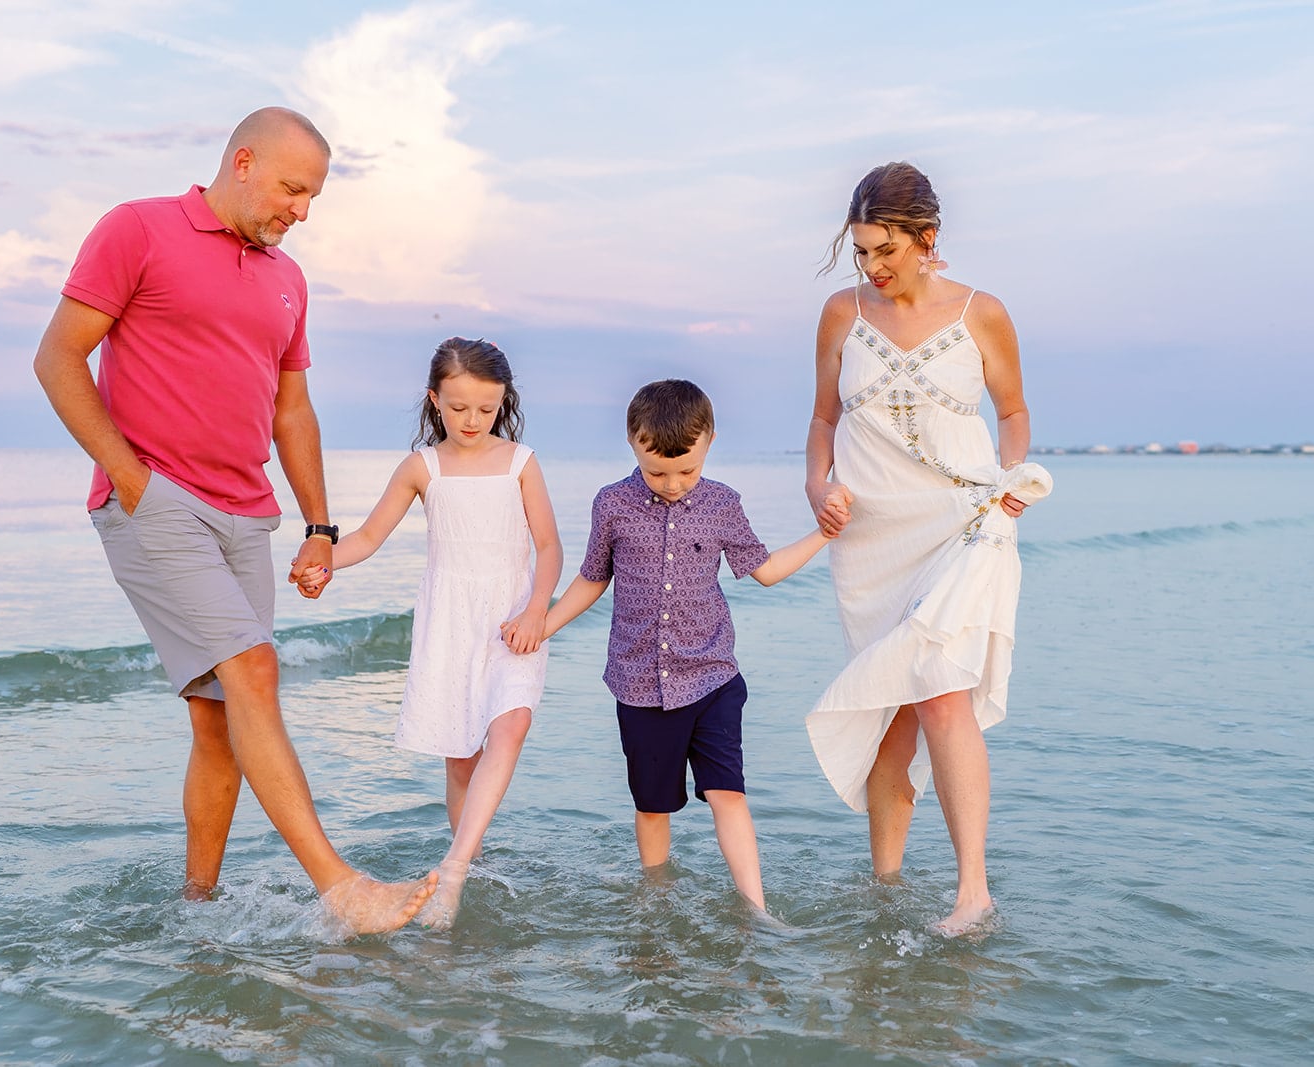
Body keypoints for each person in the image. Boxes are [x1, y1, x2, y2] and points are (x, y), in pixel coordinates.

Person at [32, 106, 435, 933]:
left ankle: (196, 907)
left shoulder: (290, 278)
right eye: (293, 188)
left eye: (314, 197)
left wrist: (319, 524)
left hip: (248, 514)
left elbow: (292, 408)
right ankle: (342, 887)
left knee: (219, 719)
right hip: (157, 502)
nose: (302, 211)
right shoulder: (137, 230)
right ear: (243, 162)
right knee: (255, 669)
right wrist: (129, 476)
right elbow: (58, 356)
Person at [803, 161, 1052, 937]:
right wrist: (818, 485)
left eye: (885, 250)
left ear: (926, 240)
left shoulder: (983, 312)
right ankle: (886, 884)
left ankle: (972, 891)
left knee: (942, 690)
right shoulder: (841, 313)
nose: (873, 268)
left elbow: (1013, 412)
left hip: (962, 522)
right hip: (872, 536)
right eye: (862, 253)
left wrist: (1012, 477)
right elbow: (819, 420)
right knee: (893, 714)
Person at [527, 380, 839, 911]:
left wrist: (824, 534)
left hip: (714, 677)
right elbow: (591, 578)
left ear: (710, 441)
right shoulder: (613, 504)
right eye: (658, 472)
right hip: (640, 686)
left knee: (728, 794)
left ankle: (756, 907)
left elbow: (763, 571)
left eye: (686, 471)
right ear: (633, 441)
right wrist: (541, 624)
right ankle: (656, 899)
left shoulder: (722, 504)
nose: (673, 485)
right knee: (653, 807)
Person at [303, 338, 560, 931]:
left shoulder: (522, 461)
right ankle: (466, 858)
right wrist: (324, 563)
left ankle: (455, 869)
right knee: (462, 761)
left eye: (487, 409)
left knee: (512, 723)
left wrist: (535, 612)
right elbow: (367, 538)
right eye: (459, 407)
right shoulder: (423, 468)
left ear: (503, 403)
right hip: (449, 621)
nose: (473, 420)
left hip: (511, 616)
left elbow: (549, 545)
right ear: (434, 400)